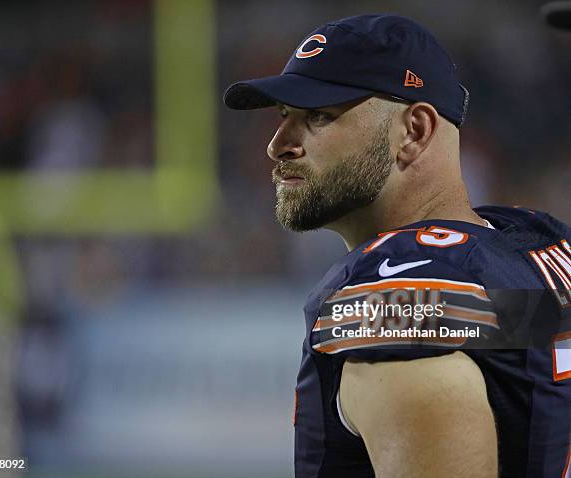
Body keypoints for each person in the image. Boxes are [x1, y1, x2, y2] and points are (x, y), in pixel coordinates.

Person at [223, 14, 571, 478]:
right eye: (285, 117)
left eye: (319, 116)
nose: (278, 145)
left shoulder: (395, 297)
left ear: (415, 130)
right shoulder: (533, 245)